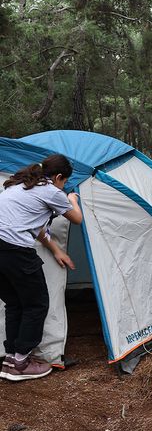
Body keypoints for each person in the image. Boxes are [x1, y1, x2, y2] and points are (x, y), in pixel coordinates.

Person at [0, 155, 82, 382]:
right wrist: (72, 198)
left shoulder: (22, 185)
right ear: (58, 177)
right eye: (64, 181)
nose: (63, 186)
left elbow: (33, 226)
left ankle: (11, 358)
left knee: (15, 303)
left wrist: (55, 249)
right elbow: (77, 219)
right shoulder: (52, 191)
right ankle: (21, 363)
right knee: (37, 304)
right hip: (14, 250)